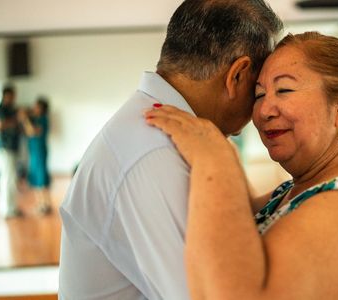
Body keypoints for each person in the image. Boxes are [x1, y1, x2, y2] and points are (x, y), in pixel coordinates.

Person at [145, 32, 338, 300]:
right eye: (259, 95)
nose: (264, 111)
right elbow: (238, 211)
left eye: (284, 90)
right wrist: (218, 147)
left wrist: (214, 161)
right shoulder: (298, 189)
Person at [58, 1, 282, 299]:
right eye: (259, 89)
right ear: (237, 76)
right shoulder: (154, 152)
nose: (264, 107)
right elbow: (211, 293)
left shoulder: (165, 136)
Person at [0, 85, 22, 218]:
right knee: (6, 179)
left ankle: (12, 208)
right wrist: (16, 119)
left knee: (11, 179)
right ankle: (6, 210)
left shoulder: (12, 110)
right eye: (12, 96)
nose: (13, 98)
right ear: (6, 95)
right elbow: (0, 125)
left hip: (13, 148)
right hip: (4, 149)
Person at [19, 97, 51, 214]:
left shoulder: (43, 119)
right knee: (36, 178)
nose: (34, 108)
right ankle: (40, 204)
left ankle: (45, 205)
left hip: (40, 152)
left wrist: (25, 119)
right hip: (33, 152)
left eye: (36, 106)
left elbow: (33, 131)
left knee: (41, 178)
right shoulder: (34, 118)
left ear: (42, 108)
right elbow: (28, 132)